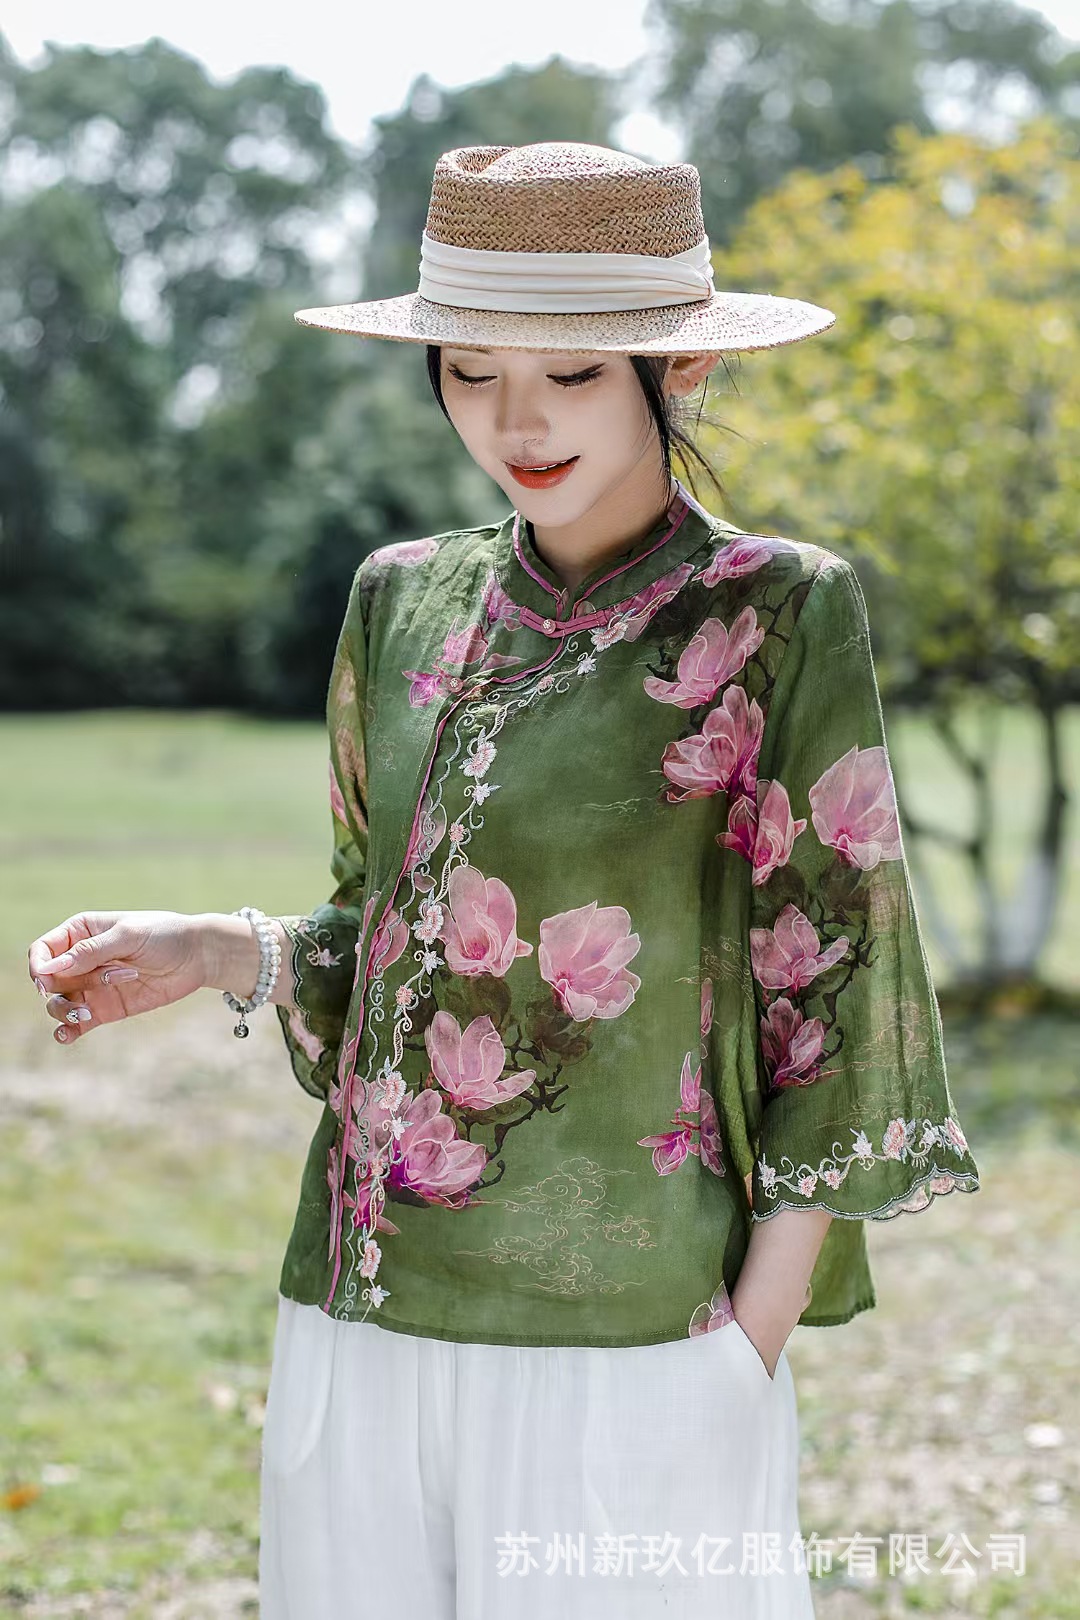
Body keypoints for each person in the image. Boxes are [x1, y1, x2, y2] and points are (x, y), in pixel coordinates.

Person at [27, 141, 981, 1618]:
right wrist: (224, 947)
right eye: (471, 372)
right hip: (363, 1308)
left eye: (574, 374)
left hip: (641, 1334)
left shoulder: (783, 612)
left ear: (680, 368)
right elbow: (395, 927)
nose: (515, 420)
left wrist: (750, 1340)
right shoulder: (398, 600)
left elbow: (836, 980)